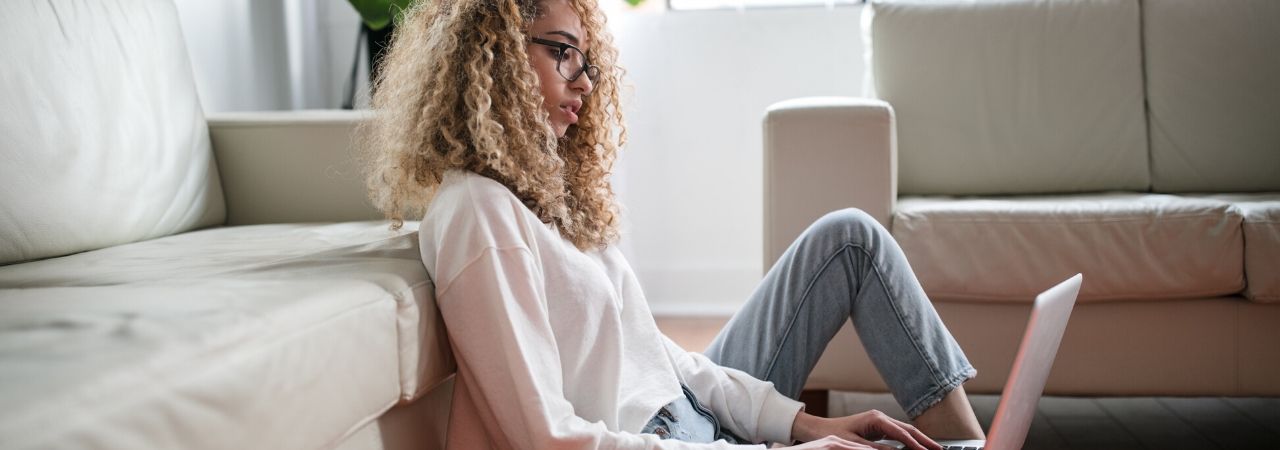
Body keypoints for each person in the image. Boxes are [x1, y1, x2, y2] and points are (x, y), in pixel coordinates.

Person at [359, 0, 986, 447]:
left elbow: (658, 359)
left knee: (850, 237)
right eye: (562, 53)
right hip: (662, 439)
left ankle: (967, 443)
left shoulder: (548, 203)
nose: (583, 85)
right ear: (491, 54)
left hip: (688, 414)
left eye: (587, 61)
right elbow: (544, 437)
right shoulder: (477, 212)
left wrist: (803, 425)